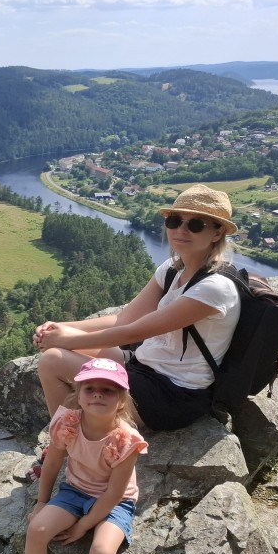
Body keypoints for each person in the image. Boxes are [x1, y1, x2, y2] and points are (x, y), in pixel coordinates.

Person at [34, 184, 241, 432]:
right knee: (62, 341)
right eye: (175, 221)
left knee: (52, 361)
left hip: (172, 394)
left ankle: (66, 441)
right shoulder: (172, 269)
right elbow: (123, 319)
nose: (181, 230)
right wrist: (61, 328)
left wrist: (66, 341)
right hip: (141, 368)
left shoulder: (214, 288)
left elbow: (132, 333)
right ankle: (75, 432)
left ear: (217, 233)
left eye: (196, 224)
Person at [5, 357, 148, 554]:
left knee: (102, 553)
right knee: (38, 528)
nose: (98, 394)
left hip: (116, 502)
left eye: (108, 390)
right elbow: (53, 463)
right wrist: (42, 502)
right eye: (90, 388)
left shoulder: (126, 439)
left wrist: (84, 525)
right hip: (74, 491)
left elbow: (114, 493)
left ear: (121, 399)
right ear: (79, 394)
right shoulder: (67, 422)